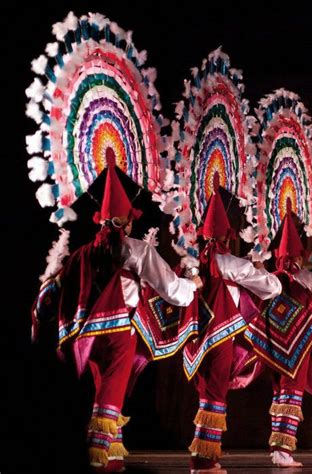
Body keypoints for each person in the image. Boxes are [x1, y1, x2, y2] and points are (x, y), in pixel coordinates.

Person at [32, 149, 201, 473]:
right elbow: (170, 289)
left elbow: (54, 289)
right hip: (120, 333)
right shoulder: (136, 249)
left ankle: (113, 455)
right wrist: (192, 285)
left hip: (86, 336)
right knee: (111, 390)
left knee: (105, 388)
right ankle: (97, 457)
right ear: (129, 219)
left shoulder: (82, 253)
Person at [184, 174, 282, 473]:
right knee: (215, 396)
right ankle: (205, 461)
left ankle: (205, 454)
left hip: (196, 339)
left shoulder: (191, 263)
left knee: (207, 395)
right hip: (220, 338)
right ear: (227, 237)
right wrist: (260, 268)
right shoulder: (231, 264)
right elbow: (273, 288)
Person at [245, 200, 312, 467]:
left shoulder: (271, 278)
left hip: (272, 345)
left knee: (279, 393)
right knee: (292, 393)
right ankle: (283, 452)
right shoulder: (307, 278)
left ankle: (277, 449)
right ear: (299, 255)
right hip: (299, 344)